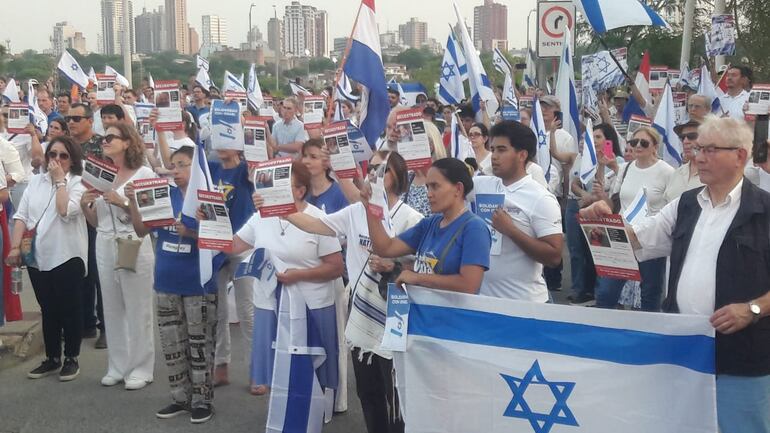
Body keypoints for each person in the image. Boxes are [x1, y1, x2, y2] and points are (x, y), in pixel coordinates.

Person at [580, 116, 770, 433]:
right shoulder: (685, 205)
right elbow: (638, 239)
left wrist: (752, 309)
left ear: (739, 155)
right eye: (698, 149)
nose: (699, 157)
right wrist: (604, 222)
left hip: (742, 356)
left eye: (710, 150)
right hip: (685, 350)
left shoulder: (764, 211)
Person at [284, 151, 423, 433]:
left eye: (380, 169)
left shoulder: (411, 218)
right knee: (368, 393)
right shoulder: (355, 211)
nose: (371, 174)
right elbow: (315, 224)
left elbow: (424, 265)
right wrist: (278, 208)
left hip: (395, 317)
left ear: (396, 177)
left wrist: (393, 264)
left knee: (395, 397)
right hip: (361, 315)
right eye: (369, 168)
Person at [124, 146, 219, 424]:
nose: (175, 171)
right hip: (165, 280)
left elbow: (221, 240)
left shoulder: (208, 199)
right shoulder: (163, 195)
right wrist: (133, 202)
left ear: (197, 168)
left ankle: (203, 400)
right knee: (172, 343)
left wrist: (190, 231)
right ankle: (180, 397)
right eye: (172, 165)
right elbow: (142, 231)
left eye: (182, 165)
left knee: (199, 343)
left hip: (197, 284)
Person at [233, 161, 344, 396]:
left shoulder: (317, 218)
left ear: (300, 190)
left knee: (311, 372)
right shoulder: (260, 217)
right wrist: (206, 223)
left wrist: (299, 275)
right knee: (277, 372)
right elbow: (233, 246)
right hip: (270, 304)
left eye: (281, 185)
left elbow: (335, 268)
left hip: (311, 305)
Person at [79, 123, 156, 390]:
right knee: (111, 307)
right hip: (105, 241)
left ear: (127, 142)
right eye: (103, 138)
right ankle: (118, 365)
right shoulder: (101, 175)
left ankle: (142, 367)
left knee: (137, 307)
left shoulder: (144, 173)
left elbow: (150, 217)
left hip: (133, 242)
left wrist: (123, 201)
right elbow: (95, 220)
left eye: (110, 137)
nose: (104, 141)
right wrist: (85, 204)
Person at [6, 137, 87, 381]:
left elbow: (65, 211)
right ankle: (52, 357)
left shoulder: (78, 183)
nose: (57, 160)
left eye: (63, 156)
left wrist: (60, 181)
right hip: (38, 256)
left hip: (67, 255)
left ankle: (71, 357)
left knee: (70, 309)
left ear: (72, 160)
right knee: (48, 309)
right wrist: (14, 246)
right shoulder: (36, 182)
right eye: (53, 155)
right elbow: (21, 215)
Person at [364, 158, 491, 293]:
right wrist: (371, 206)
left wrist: (418, 278)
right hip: (423, 312)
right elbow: (385, 248)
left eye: (435, 186)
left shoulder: (474, 228)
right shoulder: (430, 223)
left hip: (450, 313)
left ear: (458, 189)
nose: (429, 194)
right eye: (427, 187)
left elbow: (469, 285)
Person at [474, 121, 563, 302]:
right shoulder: (482, 185)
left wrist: (511, 231)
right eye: (492, 149)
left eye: (502, 150)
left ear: (522, 155)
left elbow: (554, 257)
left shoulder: (541, 198)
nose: (494, 156)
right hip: (484, 301)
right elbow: (450, 185)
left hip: (525, 305)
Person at [592, 126, 674, 311]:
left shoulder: (667, 171)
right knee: (606, 291)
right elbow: (613, 202)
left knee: (649, 294)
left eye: (643, 143)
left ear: (655, 146)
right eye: (633, 142)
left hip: (649, 239)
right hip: (621, 236)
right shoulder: (625, 168)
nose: (638, 146)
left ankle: (647, 334)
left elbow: (671, 208)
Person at [564, 123, 623, 305]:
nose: (594, 141)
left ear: (609, 140)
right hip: (583, 206)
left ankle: (601, 293)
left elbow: (609, 189)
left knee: (599, 251)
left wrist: (606, 164)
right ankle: (580, 290)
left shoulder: (618, 162)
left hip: (605, 211)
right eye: (592, 137)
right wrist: (584, 195)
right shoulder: (585, 158)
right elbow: (575, 182)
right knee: (577, 250)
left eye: (598, 137)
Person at [67, 102, 106, 349]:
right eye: (69, 118)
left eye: (76, 118)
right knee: (80, 271)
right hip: (72, 214)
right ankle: (85, 323)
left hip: (95, 212)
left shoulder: (101, 144)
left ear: (89, 121)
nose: (71, 122)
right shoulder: (65, 146)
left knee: (97, 272)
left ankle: (106, 327)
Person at [302, 139, 349, 213]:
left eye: (313, 157)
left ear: (327, 163)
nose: (306, 161)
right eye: (304, 156)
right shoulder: (299, 191)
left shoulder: (340, 193)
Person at [663, 119, 704, 204]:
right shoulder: (676, 173)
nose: (685, 141)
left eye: (692, 136)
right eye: (682, 138)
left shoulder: (716, 174)